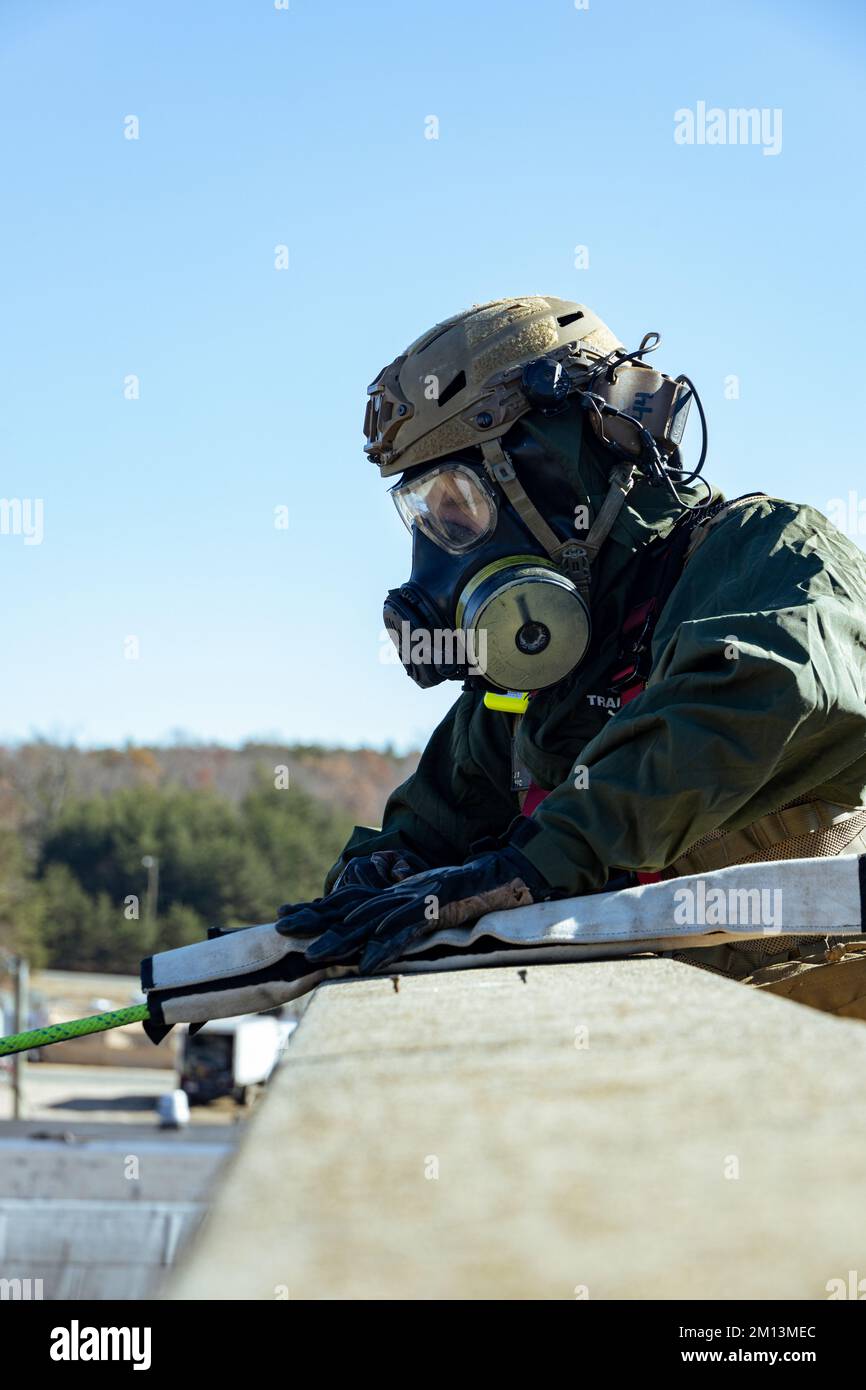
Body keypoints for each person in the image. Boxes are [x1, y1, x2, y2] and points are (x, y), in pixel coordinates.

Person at [278, 295, 866, 992]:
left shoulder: (772, 556)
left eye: (460, 507)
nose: (441, 558)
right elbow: (438, 817)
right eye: (427, 519)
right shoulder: (545, 678)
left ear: (563, 468)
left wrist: (544, 861)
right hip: (647, 1066)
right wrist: (379, 873)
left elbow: (766, 692)